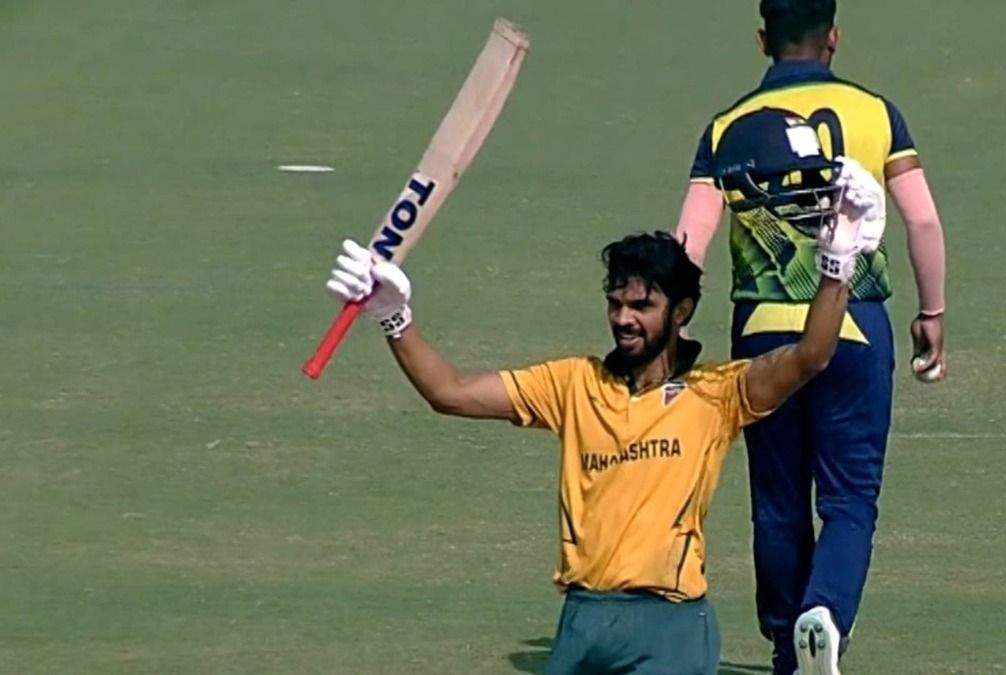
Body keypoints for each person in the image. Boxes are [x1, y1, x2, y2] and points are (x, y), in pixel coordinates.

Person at [322, 154, 885, 674]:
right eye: (616, 303)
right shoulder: (573, 383)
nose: (624, 318)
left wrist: (836, 264)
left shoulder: (717, 391)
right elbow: (449, 392)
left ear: (681, 310)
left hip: (670, 626)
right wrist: (396, 318)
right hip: (583, 620)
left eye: (642, 305)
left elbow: (812, 355)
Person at [672, 1, 949, 673]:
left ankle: (785, 644)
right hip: (855, 324)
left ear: (763, 38)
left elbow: (688, 243)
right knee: (851, 496)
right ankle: (825, 611)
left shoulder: (728, 127)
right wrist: (932, 313)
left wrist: (667, 332)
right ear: (834, 37)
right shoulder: (876, 114)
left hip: (762, 329)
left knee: (776, 498)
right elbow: (922, 222)